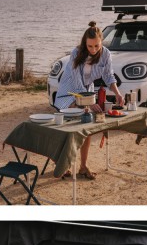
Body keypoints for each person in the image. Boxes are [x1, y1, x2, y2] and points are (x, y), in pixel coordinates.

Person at [52, 21, 125, 180]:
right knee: (70, 127)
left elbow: (108, 76)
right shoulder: (76, 53)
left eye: (97, 46)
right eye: (90, 46)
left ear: (101, 42)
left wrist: (118, 93)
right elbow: (77, 82)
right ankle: (62, 163)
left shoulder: (105, 53)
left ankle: (83, 166)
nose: (93, 50)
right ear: (85, 43)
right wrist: (90, 103)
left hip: (87, 92)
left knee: (87, 126)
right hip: (68, 93)